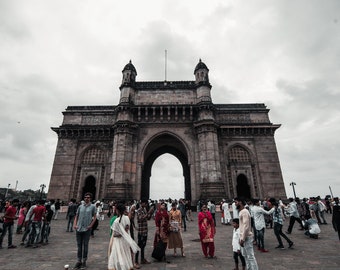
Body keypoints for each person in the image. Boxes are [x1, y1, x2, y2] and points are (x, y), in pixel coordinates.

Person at [108, 203, 140, 270]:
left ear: (117, 211)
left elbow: (115, 234)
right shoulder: (127, 218)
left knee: (118, 257)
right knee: (125, 256)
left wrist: (121, 233)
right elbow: (127, 229)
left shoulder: (116, 221)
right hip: (126, 241)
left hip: (118, 242)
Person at [73, 192, 96, 269]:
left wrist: (91, 225)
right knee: (79, 245)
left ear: (90, 198)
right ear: (84, 198)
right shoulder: (80, 206)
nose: (87, 198)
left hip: (87, 229)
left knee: (85, 245)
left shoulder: (93, 207)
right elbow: (77, 215)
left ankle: (84, 261)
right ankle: (79, 261)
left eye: (88, 197)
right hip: (79, 228)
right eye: (86, 197)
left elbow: (95, 217)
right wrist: (75, 224)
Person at [235, 197, 258, 270]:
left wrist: (243, 238)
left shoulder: (244, 211)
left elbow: (246, 226)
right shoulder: (242, 211)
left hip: (246, 237)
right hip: (243, 237)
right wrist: (240, 237)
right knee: (245, 255)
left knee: (250, 256)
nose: (235, 204)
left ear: (240, 202)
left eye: (236, 202)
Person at [135, 198, 153, 267]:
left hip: (145, 230)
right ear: (141, 203)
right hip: (141, 231)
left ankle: (142, 259)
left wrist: (150, 213)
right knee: (139, 246)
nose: (145, 204)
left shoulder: (144, 209)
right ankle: (136, 261)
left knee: (143, 245)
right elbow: (140, 218)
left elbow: (147, 218)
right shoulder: (139, 210)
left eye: (146, 203)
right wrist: (148, 213)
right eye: (144, 203)